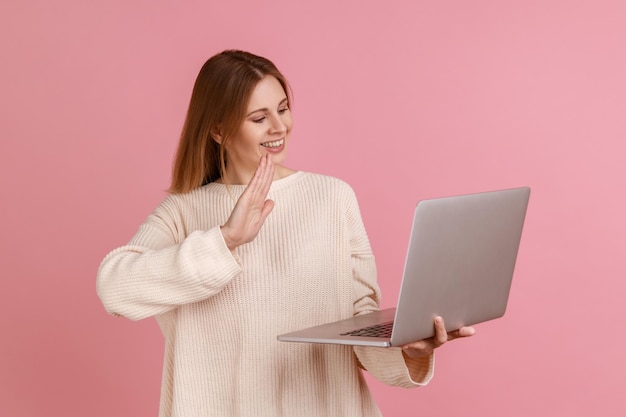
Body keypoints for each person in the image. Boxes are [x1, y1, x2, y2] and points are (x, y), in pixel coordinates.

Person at [96, 49, 475, 417]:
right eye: (259, 118)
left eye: (283, 109)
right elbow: (115, 289)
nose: (279, 128)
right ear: (218, 129)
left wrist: (412, 351)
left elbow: (359, 326)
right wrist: (225, 239)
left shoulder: (333, 198)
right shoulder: (182, 212)